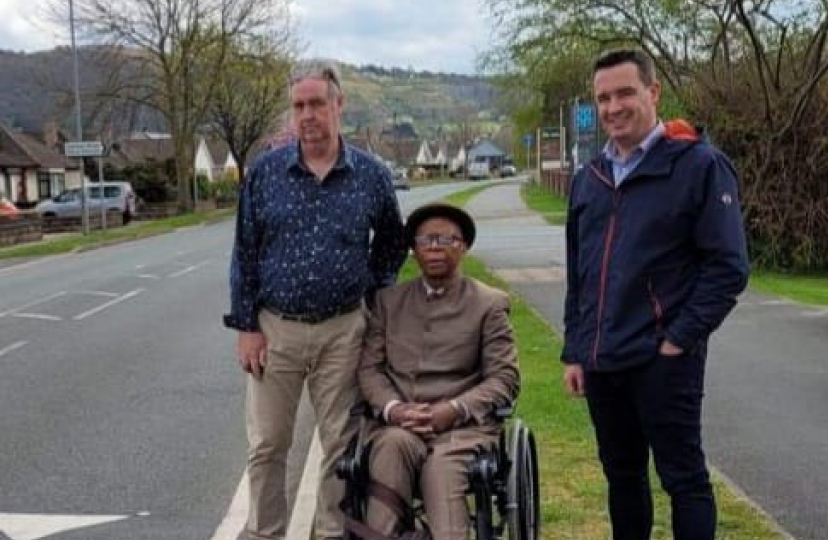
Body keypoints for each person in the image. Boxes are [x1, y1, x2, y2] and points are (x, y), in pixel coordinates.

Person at [561, 48, 750, 540]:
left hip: (664, 359)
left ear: (653, 92)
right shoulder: (589, 179)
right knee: (622, 477)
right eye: (603, 98)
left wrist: (678, 338)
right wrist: (575, 351)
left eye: (625, 93)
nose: (613, 107)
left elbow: (728, 267)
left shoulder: (700, 167)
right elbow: (580, 275)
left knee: (683, 479)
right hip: (604, 361)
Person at [223, 59, 408, 540]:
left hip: (344, 330)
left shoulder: (370, 175)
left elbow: (392, 241)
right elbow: (244, 251)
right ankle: (266, 533)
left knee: (341, 447)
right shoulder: (265, 174)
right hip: (275, 330)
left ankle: (330, 534)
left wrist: (372, 291)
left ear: (338, 105)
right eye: (299, 106)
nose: (307, 115)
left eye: (317, 104)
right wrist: (247, 326)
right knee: (266, 445)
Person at [357, 203, 521, 540]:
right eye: (426, 240)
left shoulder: (488, 304)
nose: (435, 248)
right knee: (390, 448)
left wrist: (453, 410)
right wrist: (395, 409)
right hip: (400, 425)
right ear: (413, 250)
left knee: (442, 467)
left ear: (463, 248)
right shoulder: (388, 302)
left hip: (462, 430)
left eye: (447, 240)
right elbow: (370, 370)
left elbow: (504, 378)